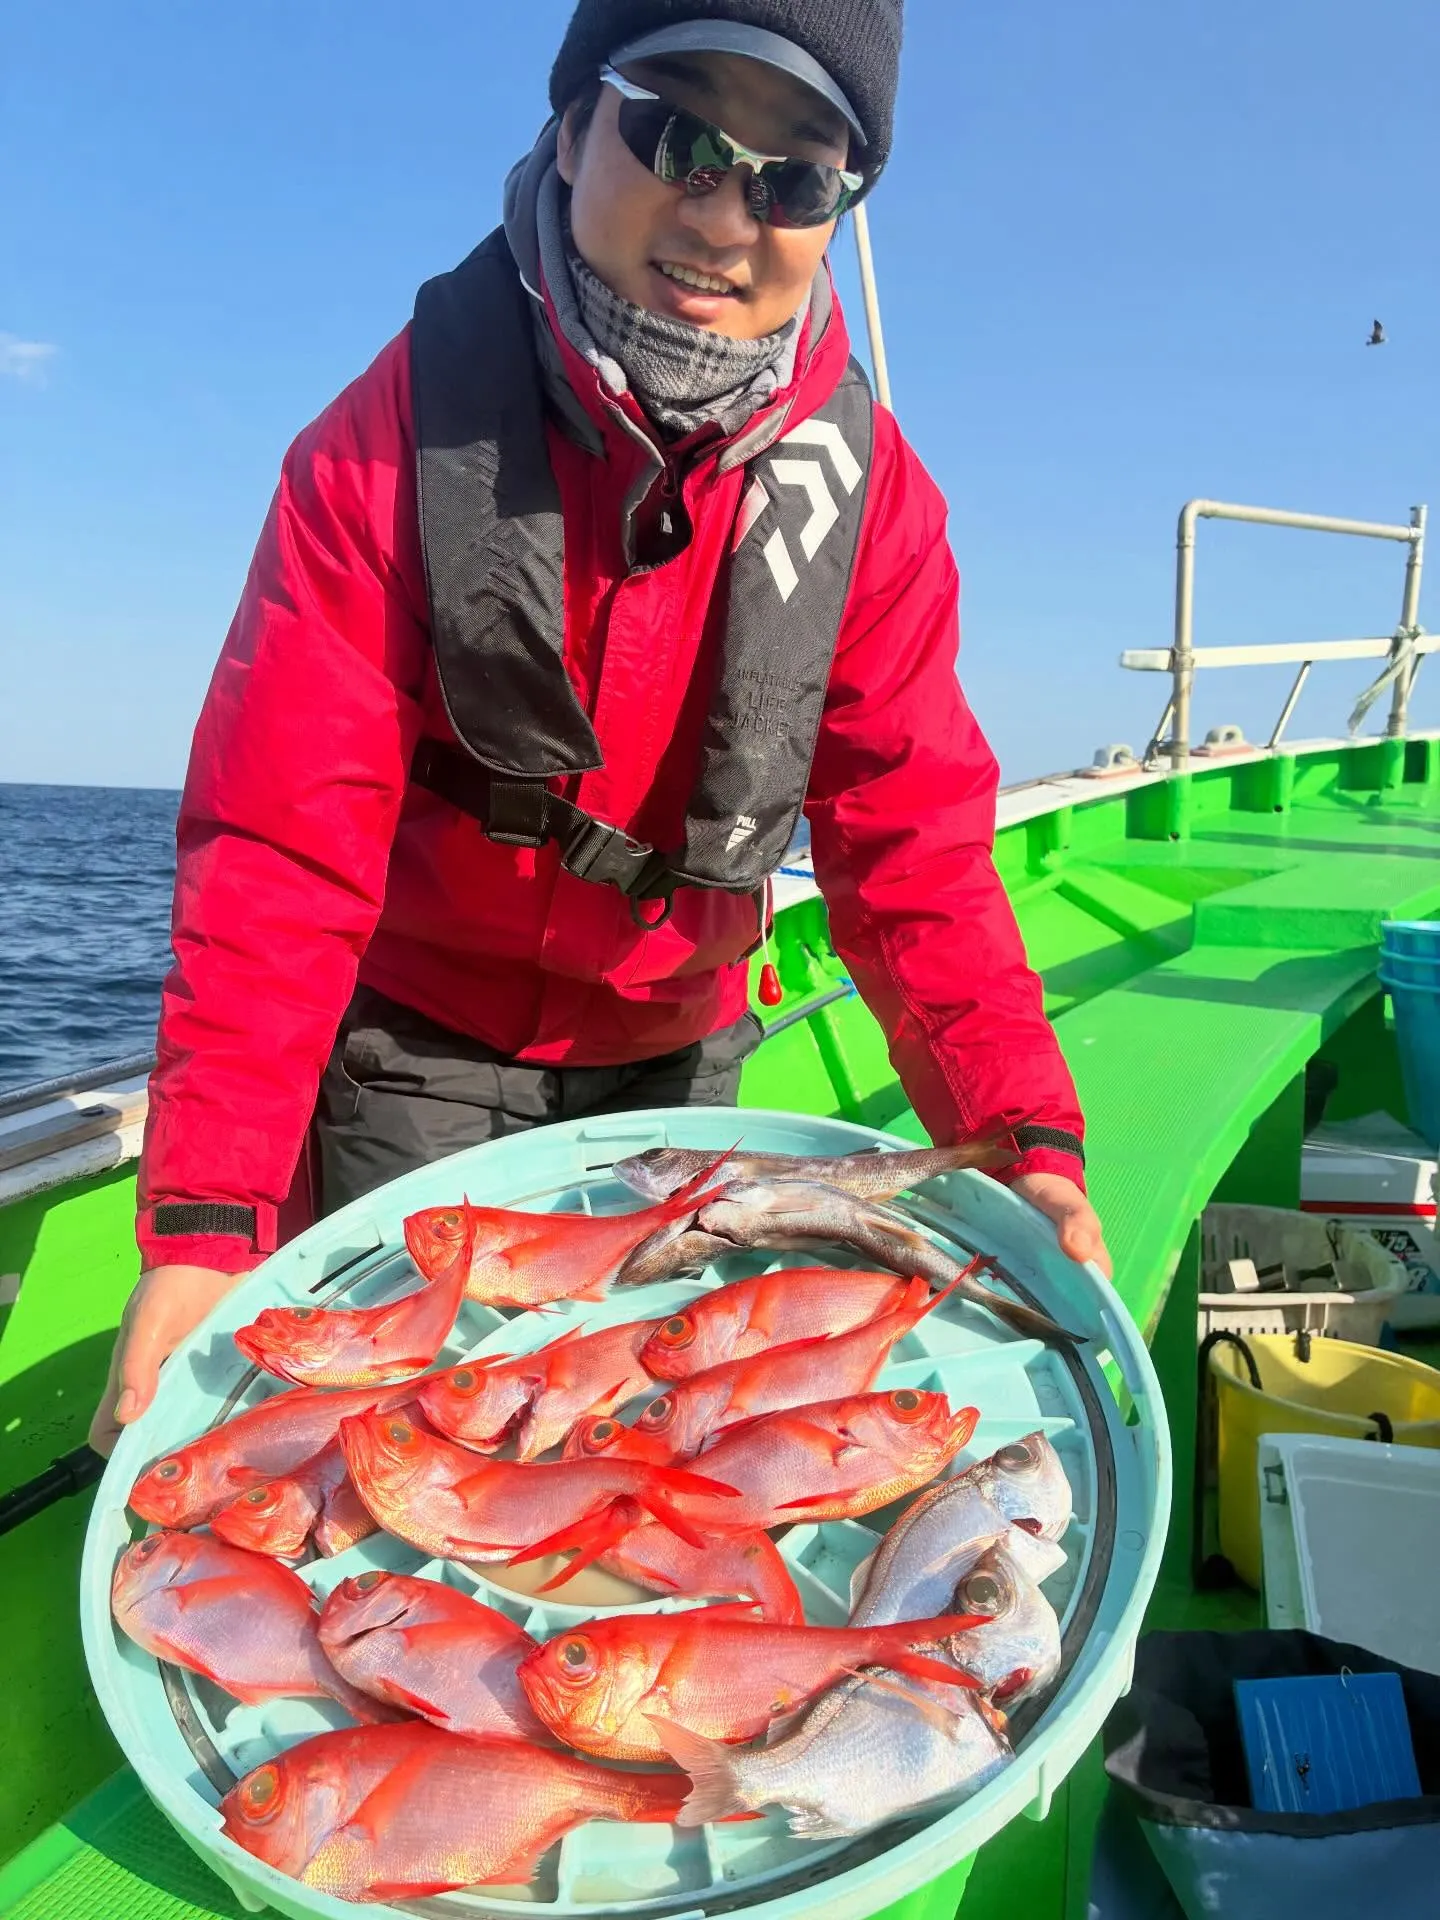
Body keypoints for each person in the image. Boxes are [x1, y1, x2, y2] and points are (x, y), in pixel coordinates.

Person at [91, 0, 1108, 1455]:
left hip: (683, 1056)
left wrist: (1025, 1143)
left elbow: (916, 855)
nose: (724, 214)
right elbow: (277, 853)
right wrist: (205, 1223)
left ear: (833, 214)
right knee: (432, 1456)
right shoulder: (384, 446)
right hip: (416, 1057)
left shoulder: (876, 506)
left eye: (793, 178)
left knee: (652, 1440)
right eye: (680, 134)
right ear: (573, 129)